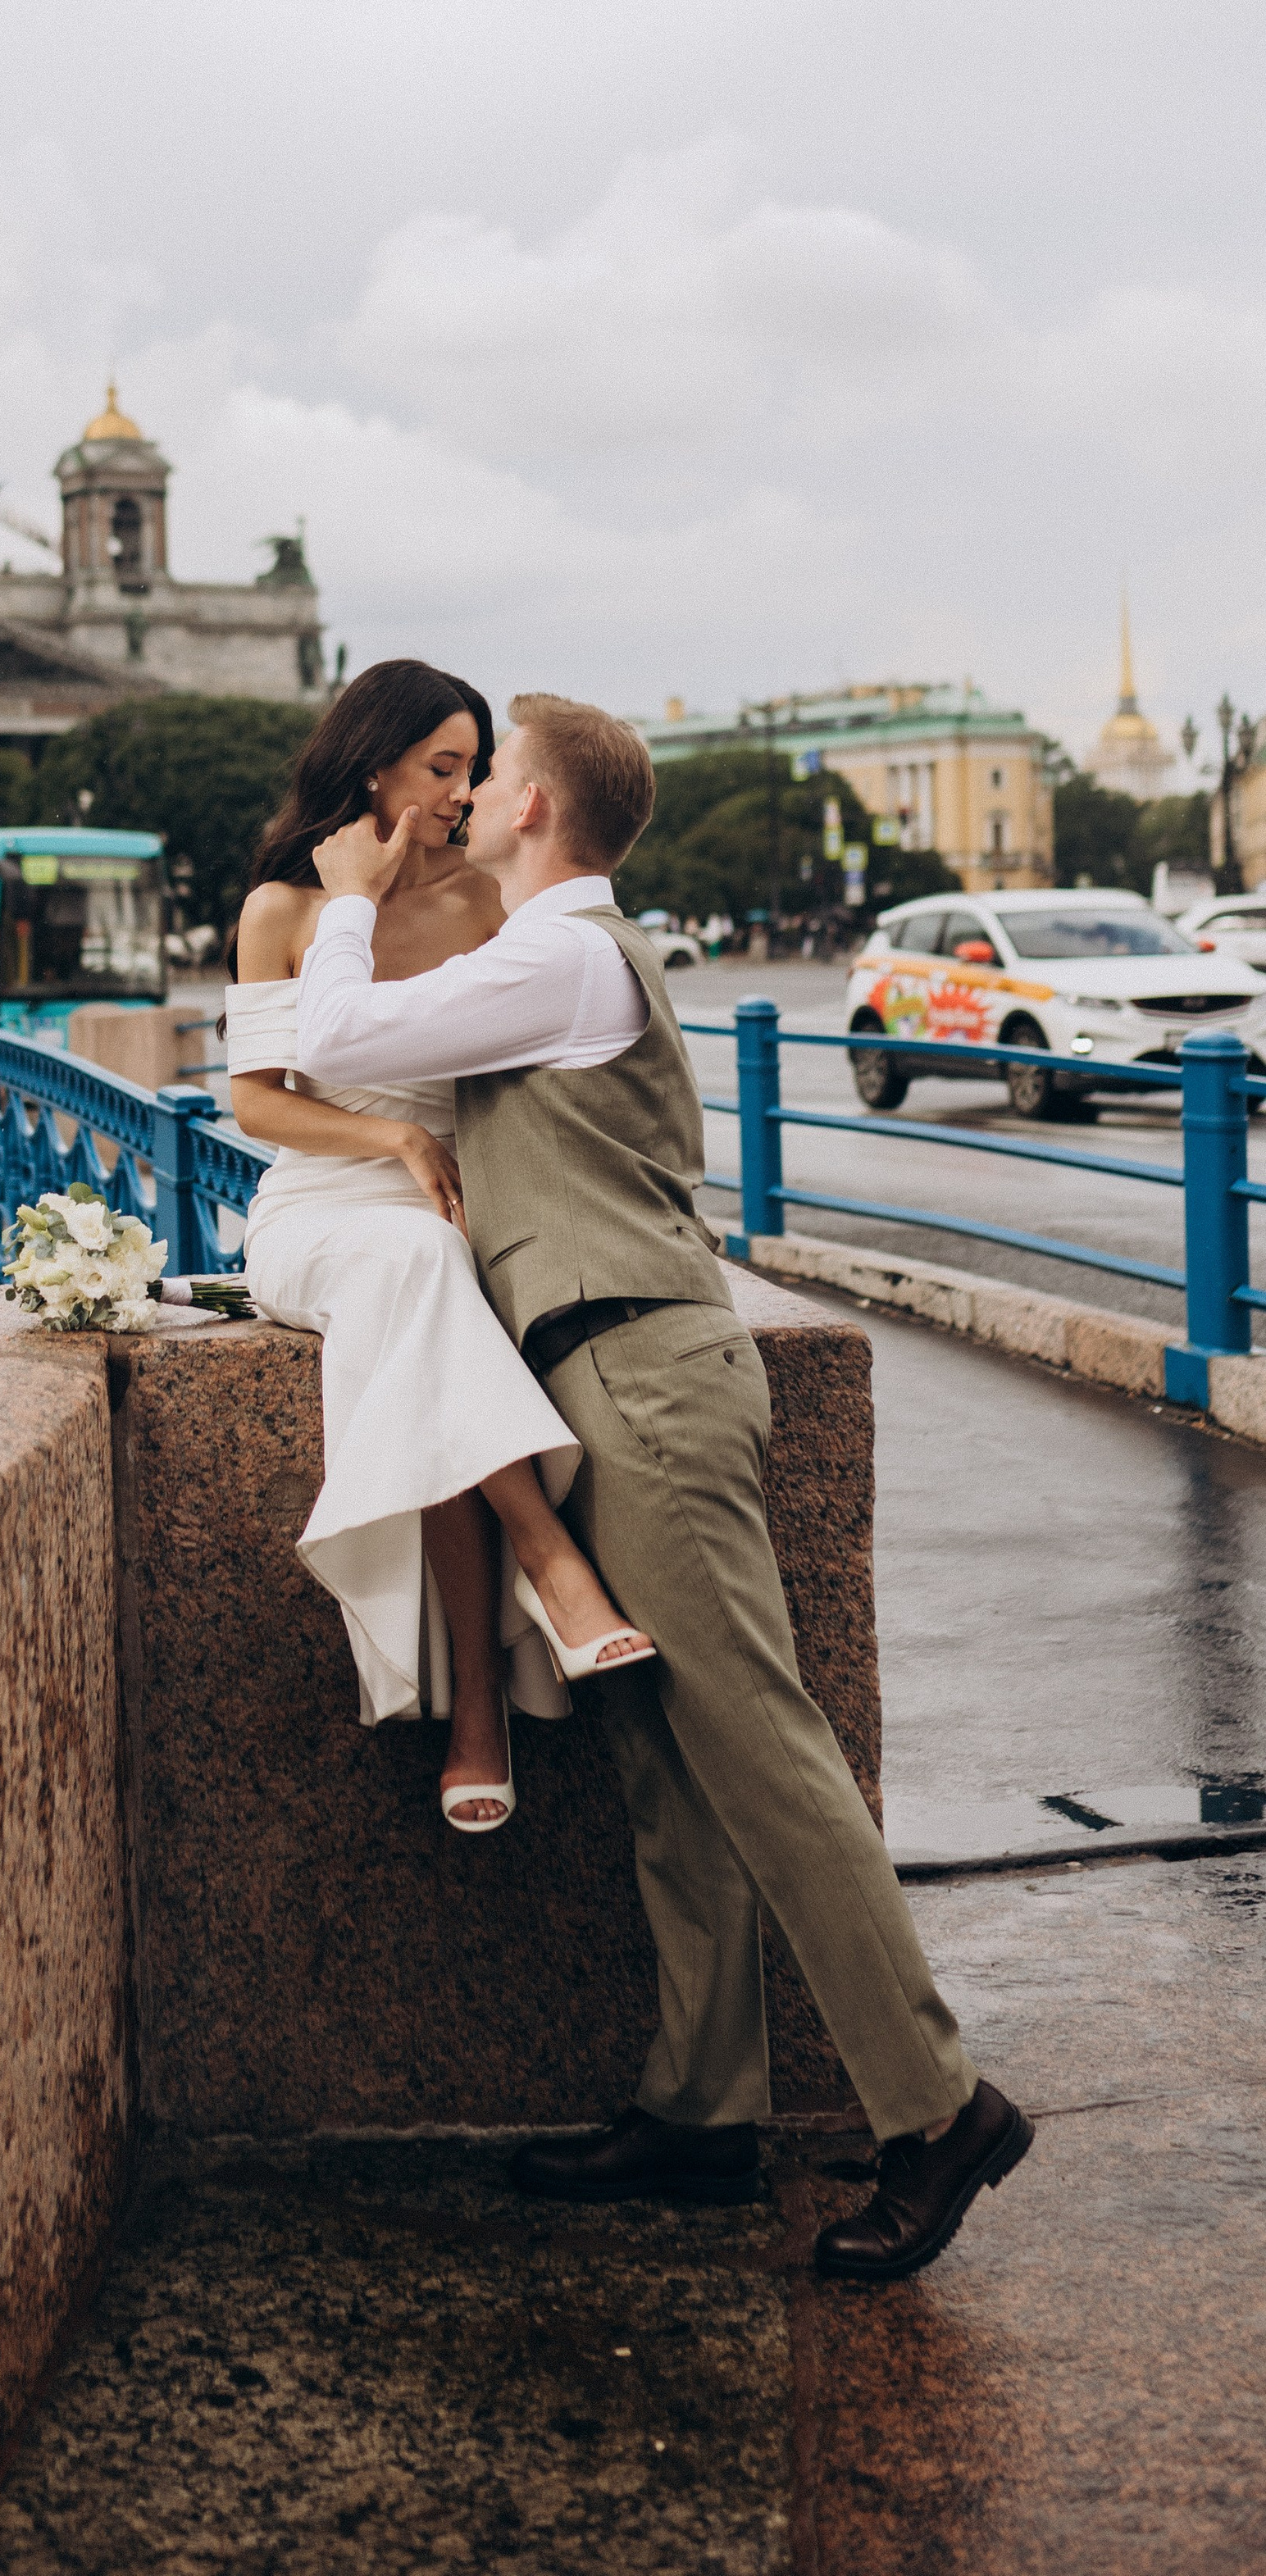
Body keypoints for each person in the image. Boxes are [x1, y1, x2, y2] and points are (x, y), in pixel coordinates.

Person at [296, 692, 1032, 2282]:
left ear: (540, 814)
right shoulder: (550, 956)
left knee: (758, 1747)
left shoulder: (560, 957)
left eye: (492, 776)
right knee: (666, 1757)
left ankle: (934, 2107)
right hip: (605, 1373)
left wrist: (346, 902)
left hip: (641, 1372)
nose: (472, 792)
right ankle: (700, 2114)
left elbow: (334, 1042)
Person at [228, 660, 656, 1838]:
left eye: (474, 770)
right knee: (421, 1270)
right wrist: (393, 1141)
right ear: (374, 765)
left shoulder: (480, 905)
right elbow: (257, 1104)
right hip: (321, 1208)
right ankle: (546, 1562)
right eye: (441, 768)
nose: (463, 795)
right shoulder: (283, 911)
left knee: (429, 1291)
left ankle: (479, 1711)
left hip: (441, 1214)